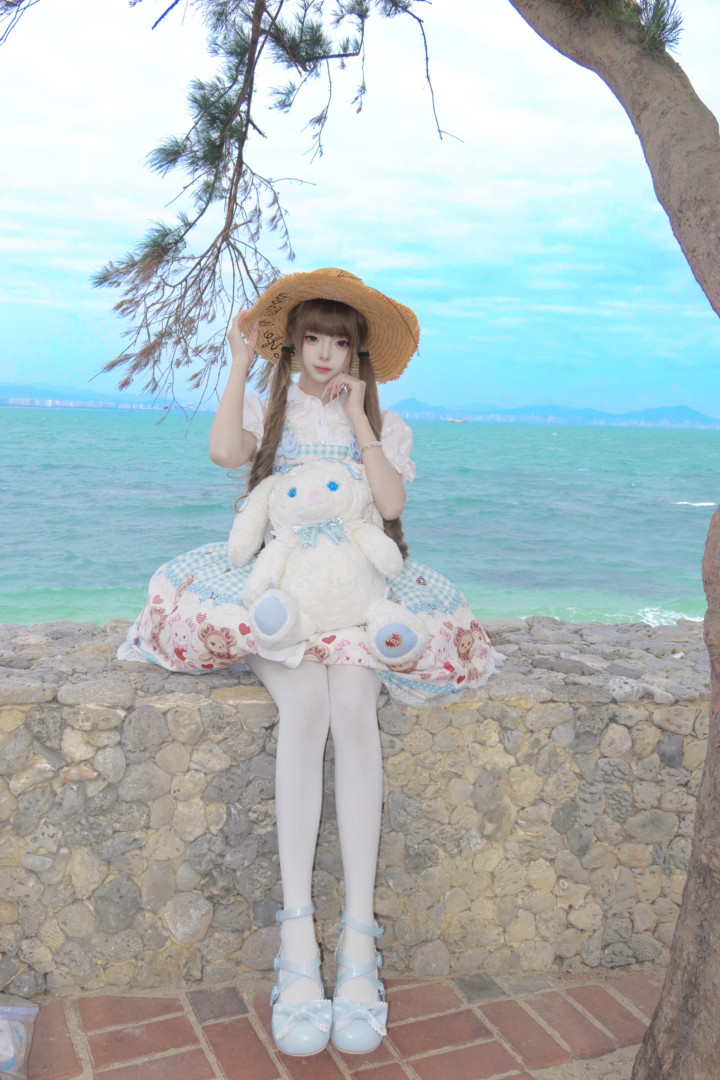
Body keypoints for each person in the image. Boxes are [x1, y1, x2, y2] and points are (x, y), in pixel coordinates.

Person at [120, 268, 502, 1057]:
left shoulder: (382, 422)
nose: (326, 354)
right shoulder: (274, 408)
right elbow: (224, 452)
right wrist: (239, 361)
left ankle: (359, 940)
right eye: (314, 339)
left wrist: (362, 419)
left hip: (356, 602)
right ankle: (297, 938)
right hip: (281, 597)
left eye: (340, 343)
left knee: (354, 708)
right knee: (306, 708)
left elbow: (390, 507)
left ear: (358, 354)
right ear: (293, 345)